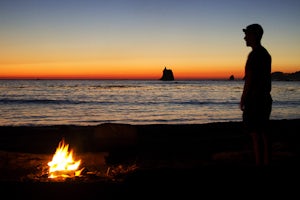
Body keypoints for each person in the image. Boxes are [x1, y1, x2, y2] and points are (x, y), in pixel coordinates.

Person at [240, 23, 273, 166]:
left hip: (255, 99)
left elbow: (250, 78)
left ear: (254, 35)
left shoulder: (254, 55)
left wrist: (243, 97)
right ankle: (265, 161)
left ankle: (259, 162)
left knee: (255, 134)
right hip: (265, 97)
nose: (244, 37)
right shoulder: (266, 54)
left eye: (247, 34)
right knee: (263, 132)